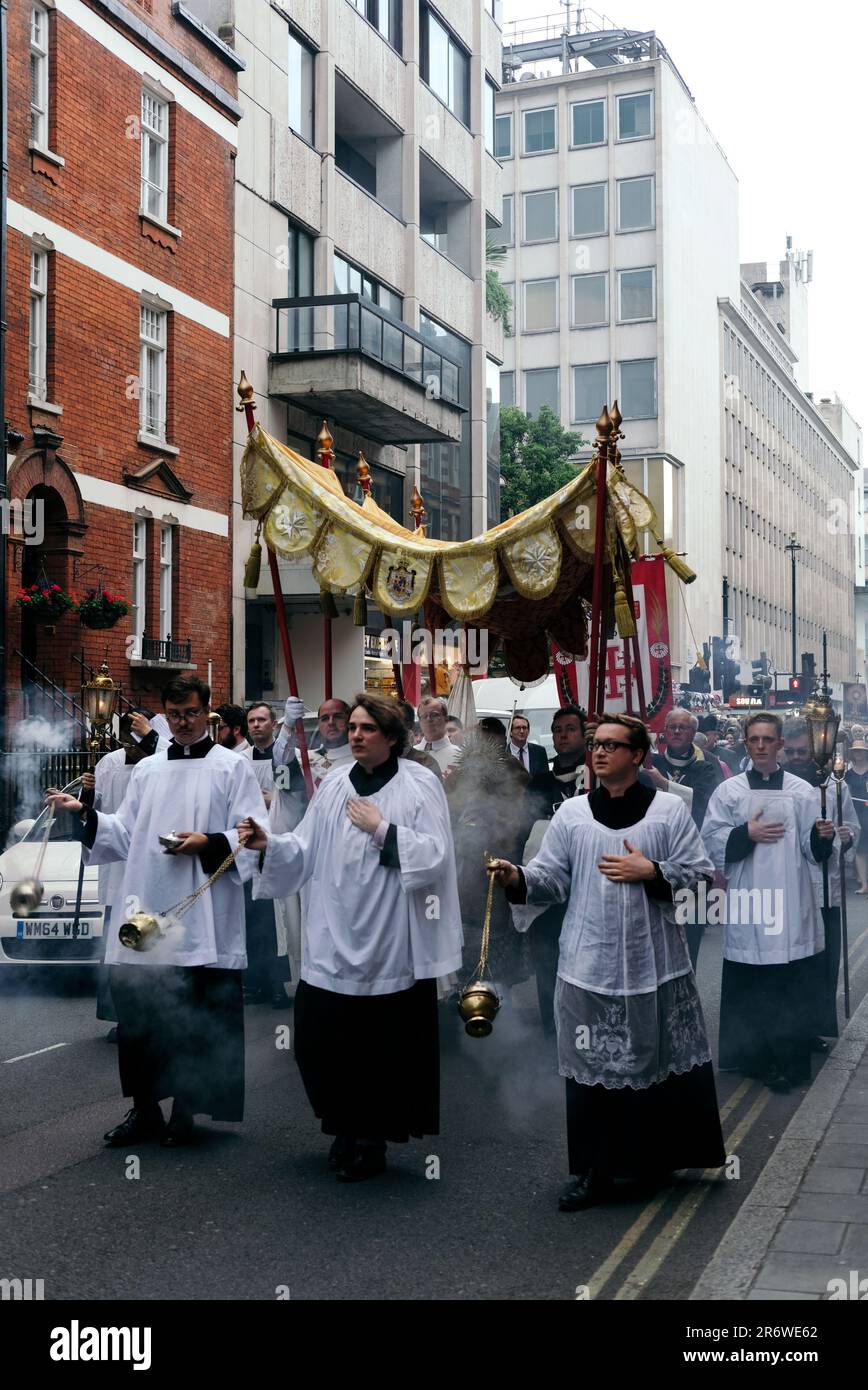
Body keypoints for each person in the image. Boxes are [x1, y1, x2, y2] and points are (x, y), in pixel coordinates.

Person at [489, 714, 725, 1211]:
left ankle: (649, 1164)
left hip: (652, 962)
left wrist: (653, 872)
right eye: (595, 744)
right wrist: (516, 877)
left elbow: (702, 885)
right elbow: (550, 880)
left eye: (612, 746)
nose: (599, 752)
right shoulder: (573, 815)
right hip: (588, 963)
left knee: (653, 1067)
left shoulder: (668, 812)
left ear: (637, 756)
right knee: (591, 1075)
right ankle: (594, 1173)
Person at [240, 693, 462, 1182]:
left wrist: (383, 828)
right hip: (333, 932)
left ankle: (371, 1139)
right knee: (323, 1044)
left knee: (380, 1050)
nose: (356, 735)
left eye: (367, 729)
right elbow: (303, 847)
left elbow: (434, 856)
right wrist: (267, 844)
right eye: (354, 727)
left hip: (390, 938)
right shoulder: (336, 783)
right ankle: (341, 1125)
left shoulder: (419, 784)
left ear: (391, 737)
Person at [46, 677, 266, 1147]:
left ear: (206, 711)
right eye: (175, 713)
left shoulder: (231, 768)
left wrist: (210, 842)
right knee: (141, 1018)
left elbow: (253, 833)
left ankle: (185, 1110)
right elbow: (124, 832)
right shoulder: (148, 771)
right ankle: (144, 1110)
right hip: (146, 910)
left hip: (204, 911)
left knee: (195, 1015)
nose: (183, 722)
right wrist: (84, 814)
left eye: (190, 712)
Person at [702, 713, 836, 1093]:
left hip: (791, 897)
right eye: (753, 740)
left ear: (779, 744)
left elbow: (813, 852)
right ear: (745, 743)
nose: (760, 746)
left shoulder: (801, 791)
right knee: (753, 983)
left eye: (767, 740)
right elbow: (711, 842)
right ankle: (754, 1059)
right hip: (749, 896)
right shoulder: (728, 792)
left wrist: (822, 836)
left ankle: (789, 1061)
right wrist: (746, 832)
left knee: (786, 985)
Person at [81, 709, 169, 1039]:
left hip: (152, 867)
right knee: (116, 946)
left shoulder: (161, 764)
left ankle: (157, 1012)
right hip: (116, 868)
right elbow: (96, 815)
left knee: (149, 941)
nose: (129, 745)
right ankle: (120, 1016)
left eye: (136, 736)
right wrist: (87, 794)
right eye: (124, 737)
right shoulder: (109, 764)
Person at [781, 718, 858, 1043]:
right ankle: (788, 1027)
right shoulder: (775, 785)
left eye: (804, 751)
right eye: (792, 751)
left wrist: (845, 836)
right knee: (792, 963)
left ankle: (815, 1027)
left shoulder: (835, 785)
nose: (797, 757)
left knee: (823, 962)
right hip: (786, 889)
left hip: (824, 889)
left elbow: (851, 826)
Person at [444, 717, 533, 992]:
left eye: (491, 739)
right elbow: (447, 807)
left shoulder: (514, 770)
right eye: (481, 739)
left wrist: (493, 828)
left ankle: (497, 988)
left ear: (499, 739)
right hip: (464, 859)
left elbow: (521, 815)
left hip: (500, 858)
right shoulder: (462, 770)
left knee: (496, 921)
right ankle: (465, 984)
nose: (486, 745)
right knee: (467, 919)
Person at [241, 702, 293, 1009]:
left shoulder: (284, 757)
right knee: (252, 919)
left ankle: (277, 984)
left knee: (277, 922)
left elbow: (291, 796)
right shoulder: (238, 761)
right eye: (252, 721)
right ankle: (255, 983)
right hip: (247, 846)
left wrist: (274, 797)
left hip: (276, 840)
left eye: (262, 720)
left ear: (273, 725)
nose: (257, 725)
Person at [528, 705, 587, 814]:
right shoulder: (538, 784)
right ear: (553, 738)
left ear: (585, 736)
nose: (563, 735)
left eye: (571, 729)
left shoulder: (596, 779)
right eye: (558, 730)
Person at [844, 737, 868, 894]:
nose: (858, 753)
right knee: (860, 847)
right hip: (856, 813)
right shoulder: (848, 774)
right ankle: (864, 883)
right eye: (856, 751)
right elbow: (846, 794)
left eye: (861, 751)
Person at [417, 696, 461, 774]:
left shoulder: (459, 756)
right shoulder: (410, 754)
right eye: (424, 716)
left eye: (434, 715)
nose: (429, 720)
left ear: (446, 719)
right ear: (420, 722)